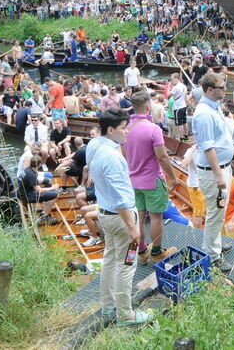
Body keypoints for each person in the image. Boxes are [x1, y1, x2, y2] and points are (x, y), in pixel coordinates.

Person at [87, 108, 150, 326]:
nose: (128, 132)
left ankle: (107, 306)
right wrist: (134, 229)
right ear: (111, 129)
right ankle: (126, 314)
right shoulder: (113, 157)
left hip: (105, 214)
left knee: (111, 260)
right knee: (126, 265)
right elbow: (122, 199)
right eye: (124, 128)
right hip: (121, 219)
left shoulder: (94, 145)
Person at [126, 91, 179, 264]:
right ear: (148, 107)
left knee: (140, 217)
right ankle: (156, 252)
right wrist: (173, 178)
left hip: (134, 180)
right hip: (152, 180)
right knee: (156, 218)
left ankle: (141, 251)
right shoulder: (153, 129)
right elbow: (162, 157)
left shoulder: (126, 129)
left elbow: (125, 156)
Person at [191, 72, 234, 272]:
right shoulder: (204, 114)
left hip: (224, 167)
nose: (225, 90)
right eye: (221, 87)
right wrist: (219, 175)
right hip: (213, 172)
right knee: (215, 212)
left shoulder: (214, 107)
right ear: (210, 90)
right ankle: (212, 254)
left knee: (220, 211)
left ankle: (216, 242)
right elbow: (207, 147)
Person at [18, 155, 60, 225]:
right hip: (28, 196)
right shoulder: (32, 174)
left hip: (24, 191)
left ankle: (46, 203)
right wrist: (52, 188)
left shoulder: (28, 169)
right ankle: (45, 215)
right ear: (39, 164)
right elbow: (39, 190)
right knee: (56, 195)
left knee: (47, 182)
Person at [170, 73, 188, 140]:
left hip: (178, 107)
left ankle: (181, 138)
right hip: (183, 106)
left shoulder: (176, 87)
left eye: (172, 79)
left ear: (176, 79)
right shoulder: (184, 86)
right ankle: (186, 137)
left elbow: (168, 96)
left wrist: (170, 87)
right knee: (184, 122)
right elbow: (186, 97)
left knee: (179, 124)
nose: (171, 81)